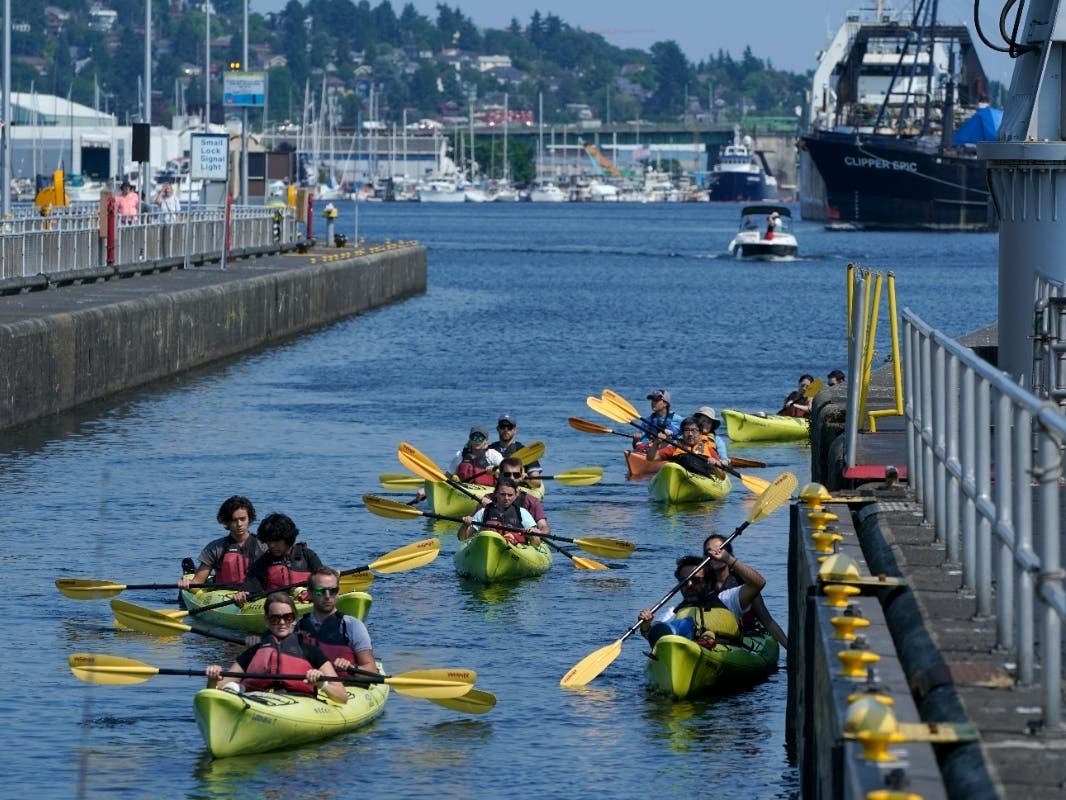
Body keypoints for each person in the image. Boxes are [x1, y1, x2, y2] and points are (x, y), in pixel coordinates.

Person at [205, 592, 348, 704]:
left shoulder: (311, 651)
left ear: (294, 619)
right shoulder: (254, 651)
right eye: (275, 618)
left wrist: (321, 683)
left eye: (288, 617)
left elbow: (342, 696)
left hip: (300, 704)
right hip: (259, 703)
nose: (281, 622)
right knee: (232, 688)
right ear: (266, 621)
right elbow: (218, 689)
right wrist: (212, 679)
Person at [637, 549, 767, 649]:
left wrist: (729, 559)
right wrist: (646, 625)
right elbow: (653, 634)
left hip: (724, 651)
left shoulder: (726, 599)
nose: (689, 585)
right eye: (684, 581)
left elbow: (758, 583)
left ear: (709, 582)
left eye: (696, 580)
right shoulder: (674, 612)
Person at [703, 533, 787, 648]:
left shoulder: (745, 584)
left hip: (746, 636)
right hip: (714, 636)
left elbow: (768, 621)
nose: (714, 555)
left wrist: (789, 649)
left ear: (728, 553)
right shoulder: (701, 585)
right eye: (709, 552)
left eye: (719, 550)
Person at [297, 568, 376, 673]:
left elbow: (371, 669)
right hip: (310, 683)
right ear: (310, 593)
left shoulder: (353, 626)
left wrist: (351, 668)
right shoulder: (297, 626)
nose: (327, 596)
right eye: (320, 591)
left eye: (332, 591)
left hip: (346, 685)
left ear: (338, 592)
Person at [179, 495, 265, 589]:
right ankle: (191, 572)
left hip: (255, 593)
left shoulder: (263, 546)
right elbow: (197, 584)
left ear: (249, 519)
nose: (239, 524)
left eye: (243, 519)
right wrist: (188, 585)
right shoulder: (215, 548)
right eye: (234, 520)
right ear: (226, 521)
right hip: (223, 594)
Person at [236, 513, 325, 600]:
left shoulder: (308, 555)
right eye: (269, 541)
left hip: (307, 604)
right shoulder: (262, 563)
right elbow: (250, 589)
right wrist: (243, 595)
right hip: (277, 608)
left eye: (276, 541)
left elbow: (323, 582)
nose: (272, 546)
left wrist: (317, 594)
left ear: (287, 538)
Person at [458, 476, 541, 546]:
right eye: (502, 494)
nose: (506, 498)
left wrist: (532, 534)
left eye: (510, 495)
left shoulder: (522, 513)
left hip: (512, 548)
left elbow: (536, 543)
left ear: (516, 495)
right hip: (487, 546)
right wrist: (465, 525)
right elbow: (462, 538)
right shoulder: (484, 512)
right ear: (496, 494)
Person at [480, 455, 550, 534]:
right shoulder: (488, 498)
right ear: (500, 475)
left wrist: (538, 532)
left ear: (521, 477)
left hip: (520, 541)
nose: (512, 478)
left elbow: (544, 528)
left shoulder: (532, 501)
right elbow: (473, 522)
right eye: (507, 474)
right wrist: (480, 506)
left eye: (516, 475)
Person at [645, 416, 726, 477]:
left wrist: (715, 465)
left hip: (702, 478)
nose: (690, 434)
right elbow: (650, 458)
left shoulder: (709, 450)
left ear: (700, 433)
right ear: (682, 433)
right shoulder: (675, 448)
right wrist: (656, 443)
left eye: (694, 430)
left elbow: (722, 475)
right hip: (679, 477)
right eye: (687, 430)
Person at [489, 413, 543, 484]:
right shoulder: (489, 450)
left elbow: (537, 483)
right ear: (498, 429)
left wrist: (526, 479)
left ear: (515, 430)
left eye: (509, 427)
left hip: (520, 488)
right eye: (503, 426)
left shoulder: (526, 451)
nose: (506, 430)